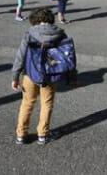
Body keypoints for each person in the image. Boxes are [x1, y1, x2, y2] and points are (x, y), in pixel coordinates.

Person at [11, 8, 76, 145]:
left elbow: (20, 56)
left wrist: (15, 76)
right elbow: (67, 54)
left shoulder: (30, 34)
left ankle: (21, 134)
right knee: (46, 104)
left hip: (30, 73)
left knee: (27, 103)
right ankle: (43, 134)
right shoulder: (60, 34)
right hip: (50, 74)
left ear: (36, 20)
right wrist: (71, 76)